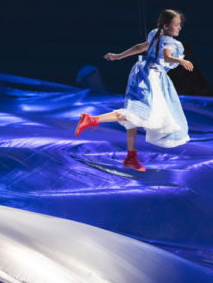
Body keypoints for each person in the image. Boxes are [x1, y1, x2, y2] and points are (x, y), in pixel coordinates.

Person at [74, 9, 194, 171]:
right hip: (152, 77)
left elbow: (139, 47)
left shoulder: (155, 34)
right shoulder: (169, 42)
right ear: (166, 26)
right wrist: (180, 59)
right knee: (138, 113)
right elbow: (166, 57)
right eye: (176, 25)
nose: (179, 28)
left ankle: (131, 156)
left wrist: (118, 56)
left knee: (136, 116)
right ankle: (91, 120)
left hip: (142, 72)